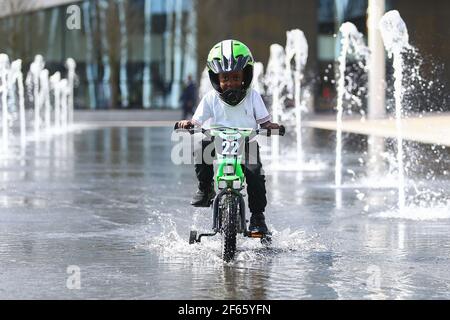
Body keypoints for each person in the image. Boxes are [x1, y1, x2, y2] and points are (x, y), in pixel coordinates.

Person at [177, 40, 283, 234]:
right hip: (218, 140)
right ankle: (205, 188)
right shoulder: (210, 98)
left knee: (255, 174)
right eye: (225, 78)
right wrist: (189, 124)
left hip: (246, 142)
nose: (231, 83)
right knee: (202, 149)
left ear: (246, 76)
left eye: (236, 77)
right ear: (216, 78)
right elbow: (197, 121)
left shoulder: (253, 96)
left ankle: (258, 216)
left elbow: (264, 122)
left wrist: (270, 126)